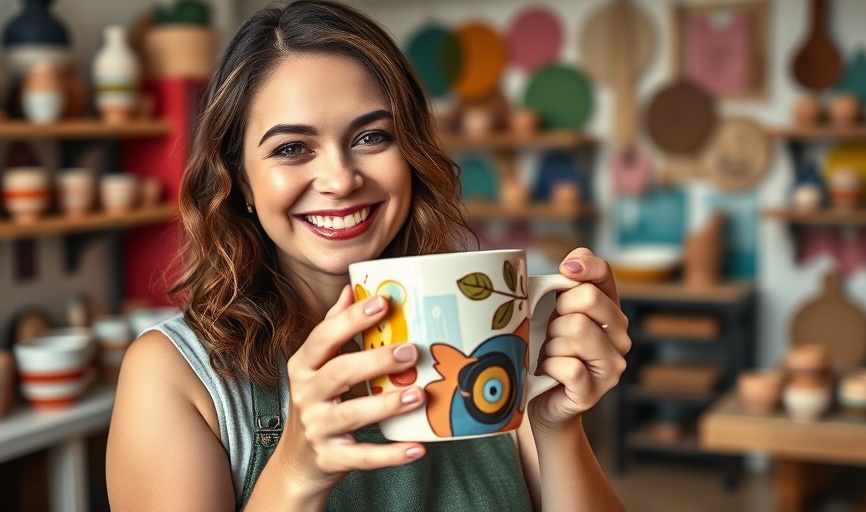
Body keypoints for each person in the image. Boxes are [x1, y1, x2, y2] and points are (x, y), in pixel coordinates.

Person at [106, 1, 630, 510]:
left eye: (372, 136)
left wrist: (557, 424)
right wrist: (296, 471)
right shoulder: (173, 376)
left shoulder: (491, 333)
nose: (340, 180)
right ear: (239, 176)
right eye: (292, 148)